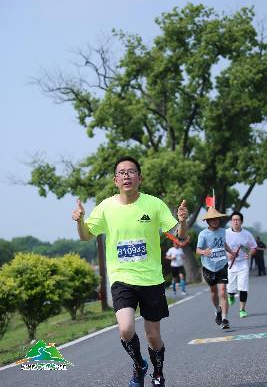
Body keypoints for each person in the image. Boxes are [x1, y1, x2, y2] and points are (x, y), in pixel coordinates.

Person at [72, 156, 188, 387]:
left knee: (153, 336)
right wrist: (80, 220)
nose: (126, 175)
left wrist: (182, 221)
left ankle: (157, 372)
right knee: (125, 329)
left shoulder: (154, 204)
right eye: (121, 172)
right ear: (115, 180)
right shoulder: (105, 207)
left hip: (151, 279)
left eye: (131, 171)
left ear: (139, 178)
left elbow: (181, 236)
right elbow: (86, 235)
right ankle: (139, 365)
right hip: (121, 278)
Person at [196, 207, 235, 329]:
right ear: (208, 221)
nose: (215, 221)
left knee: (223, 290)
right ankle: (217, 310)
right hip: (208, 267)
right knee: (213, 293)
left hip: (222, 264)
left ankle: (225, 319)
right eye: (212, 220)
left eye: (216, 219)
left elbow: (223, 243)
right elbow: (197, 250)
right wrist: (204, 252)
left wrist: (231, 252)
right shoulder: (203, 234)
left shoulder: (223, 231)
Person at [226, 211, 257, 318]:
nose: (235, 222)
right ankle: (231, 295)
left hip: (243, 264)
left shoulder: (247, 234)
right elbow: (220, 247)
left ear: (241, 222)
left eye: (238, 220)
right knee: (230, 288)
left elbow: (253, 247)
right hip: (230, 264)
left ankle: (242, 310)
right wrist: (227, 254)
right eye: (234, 220)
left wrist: (250, 253)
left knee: (243, 287)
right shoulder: (225, 233)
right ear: (231, 221)